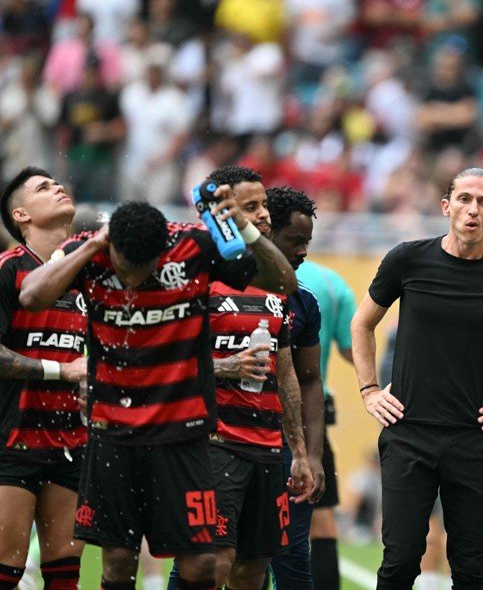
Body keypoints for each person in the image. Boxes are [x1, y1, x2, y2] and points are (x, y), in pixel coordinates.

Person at [18, 193, 297, 589]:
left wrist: (247, 230)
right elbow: (31, 296)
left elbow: (283, 281)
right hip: (113, 435)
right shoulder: (89, 250)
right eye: (124, 268)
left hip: (183, 436)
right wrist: (95, 244)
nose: (131, 281)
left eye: (142, 270)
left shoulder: (193, 247)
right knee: (116, 564)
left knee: (202, 566)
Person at [350, 167, 483, 589]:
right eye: (464, 199)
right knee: (401, 560)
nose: (472, 210)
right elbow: (361, 325)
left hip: (473, 441)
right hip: (409, 433)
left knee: (470, 567)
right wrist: (370, 390)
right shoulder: (408, 258)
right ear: (447, 207)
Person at [166, 166, 314, 590]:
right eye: (251, 207)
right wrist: (224, 368)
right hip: (213, 442)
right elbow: (165, 359)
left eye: (264, 204)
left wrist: (298, 451)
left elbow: (284, 373)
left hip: (267, 448)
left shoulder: (273, 283)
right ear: (219, 215)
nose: (265, 215)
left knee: (252, 570)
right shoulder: (196, 277)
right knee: (211, 563)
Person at [0, 167, 87, 590]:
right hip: (11, 441)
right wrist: (62, 371)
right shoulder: (8, 270)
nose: (57, 187)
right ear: (21, 214)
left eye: (57, 182)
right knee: (6, 573)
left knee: (65, 577)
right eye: (42, 187)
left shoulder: (85, 276)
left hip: (70, 442)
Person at [265, 185, 326, 589]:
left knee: (292, 561)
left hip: (287, 449)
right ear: (266, 233)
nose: (303, 251)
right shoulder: (219, 292)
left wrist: (314, 457)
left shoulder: (303, 303)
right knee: (212, 561)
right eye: (294, 241)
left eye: (307, 242)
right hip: (225, 443)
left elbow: (309, 381)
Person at [296, 259, 358, 590]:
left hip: (255, 415)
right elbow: (353, 348)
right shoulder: (330, 282)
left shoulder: (241, 270)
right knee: (320, 521)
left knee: (255, 526)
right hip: (310, 417)